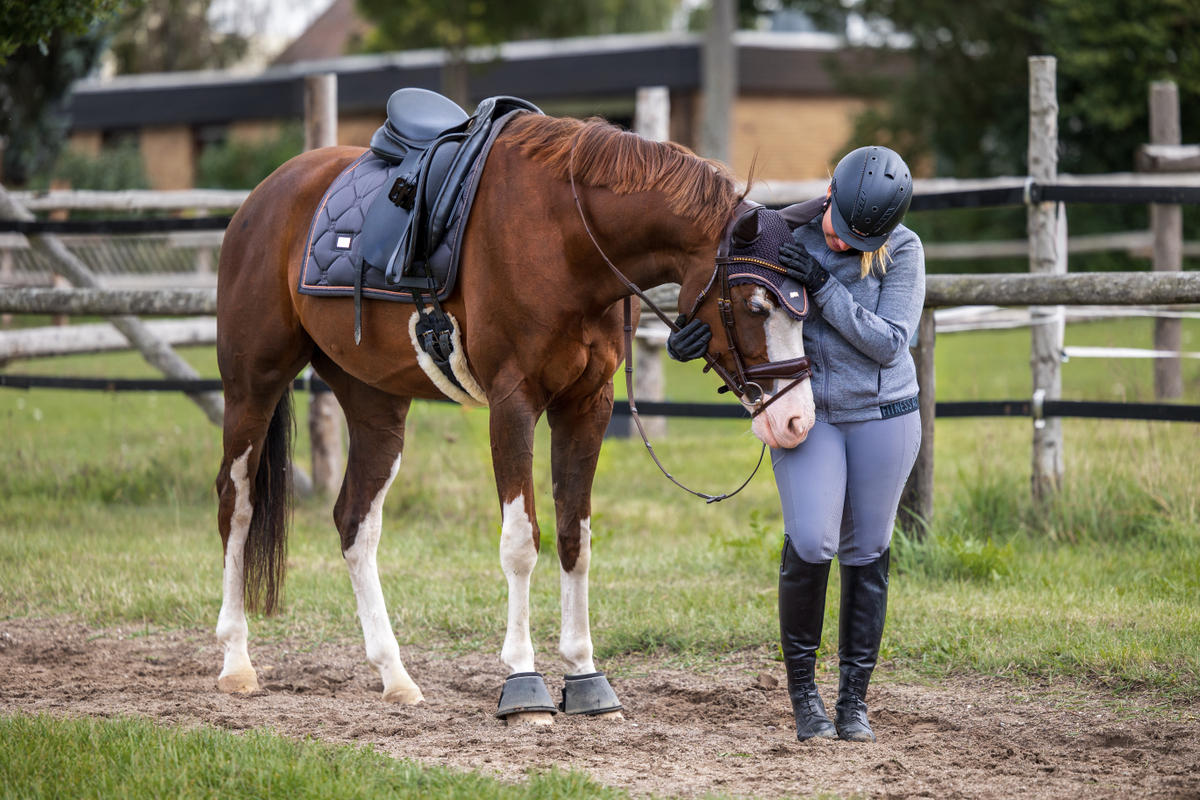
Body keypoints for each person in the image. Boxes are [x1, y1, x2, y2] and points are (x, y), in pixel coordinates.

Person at [668, 146, 924, 743]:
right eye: (838, 232)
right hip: (808, 416)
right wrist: (692, 336)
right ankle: (805, 697)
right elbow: (738, 306)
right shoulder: (782, 234)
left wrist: (825, 291)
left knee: (868, 550)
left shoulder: (904, 250)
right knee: (811, 540)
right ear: (828, 193)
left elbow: (889, 343)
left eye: (860, 244)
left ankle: (854, 701)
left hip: (885, 413)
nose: (841, 247)